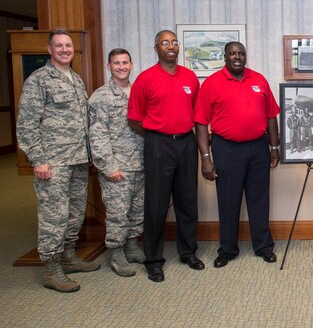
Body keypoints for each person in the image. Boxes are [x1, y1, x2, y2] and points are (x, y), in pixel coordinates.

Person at [17, 29, 100, 292]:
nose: (64, 49)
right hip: (53, 162)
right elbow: (27, 124)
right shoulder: (39, 80)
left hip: (77, 159)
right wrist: (38, 159)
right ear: (49, 49)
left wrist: (88, 155)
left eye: (68, 45)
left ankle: (68, 256)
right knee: (54, 215)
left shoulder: (76, 79)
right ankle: (51, 269)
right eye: (59, 45)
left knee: (75, 213)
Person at [194, 41, 279, 268]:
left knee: (259, 200)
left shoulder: (259, 80)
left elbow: (271, 115)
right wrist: (206, 158)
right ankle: (228, 250)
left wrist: (274, 147)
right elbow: (201, 122)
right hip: (227, 148)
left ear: (245, 57)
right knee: (228, 201)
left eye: (241, 53)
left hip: (258, 149)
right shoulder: (211, 84)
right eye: (232, 53)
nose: (237, 57)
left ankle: (263, 247)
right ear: (225, 57)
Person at [128, 30, 203, 282]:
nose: (170, 46)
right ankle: (154, 260)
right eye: (164, 43)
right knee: (156, 205)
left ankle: (188, 252)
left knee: (187, 202)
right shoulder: (145, 79)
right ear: (156, 48)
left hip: (186, 144)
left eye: (173, 42)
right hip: (158, 145)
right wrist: (156, 134)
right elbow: (134, 119)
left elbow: (196, 114)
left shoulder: (190, 77)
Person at [88, 48, 146, 277]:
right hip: (117, 166)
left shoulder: (139, 92)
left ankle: (132, 246)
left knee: (137, 210)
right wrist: (109, 166)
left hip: (141, 163)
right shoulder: (100, 97)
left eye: (125, 62)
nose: (121, 66)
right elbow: (97, 135)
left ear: (131, 65)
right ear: (108, 66)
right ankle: (117, 253)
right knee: (117, 213)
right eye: (116, 63)